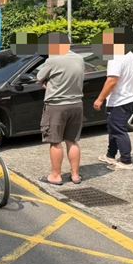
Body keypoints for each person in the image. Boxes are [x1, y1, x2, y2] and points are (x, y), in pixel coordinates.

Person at [36, 33, 85, 186]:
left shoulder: (53, 60)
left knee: (55, 142)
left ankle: (56, 176)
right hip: (77, 104)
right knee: (73, 141)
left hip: (57, 106)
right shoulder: (79, 58)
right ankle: (75, 175)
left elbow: (39, 78)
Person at [94, 30, 133, 171]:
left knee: (119, 130)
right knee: (113, 128)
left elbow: (112, 80)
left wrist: (100, 99)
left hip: (121, 100)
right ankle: (110, 155)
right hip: (128, 98)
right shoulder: (130, 55)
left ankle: (126, 161)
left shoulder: (116, 57)